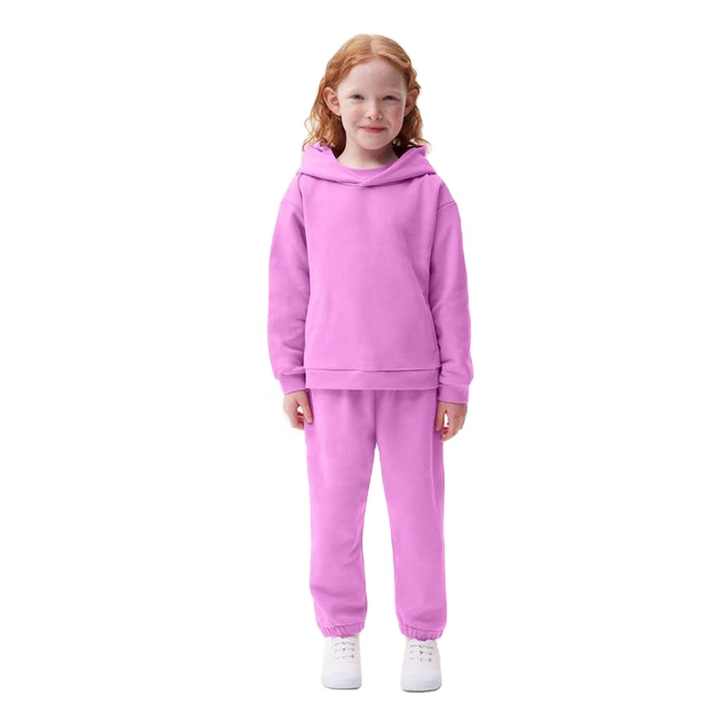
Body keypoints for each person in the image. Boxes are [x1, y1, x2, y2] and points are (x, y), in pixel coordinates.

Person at [266, 33, 473, 692]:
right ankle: (341, 631)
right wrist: (291, 375)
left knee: (419, 519)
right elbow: (289, 289)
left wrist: (455, 383)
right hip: (332, 384)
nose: (373, 111)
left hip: (415, 386)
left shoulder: (429, 193)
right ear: (334, 100)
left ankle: (422, 637)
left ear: (408, 103)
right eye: (358, 97)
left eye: (389, 98)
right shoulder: (307, 190)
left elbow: (449, 293)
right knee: (334, 517)